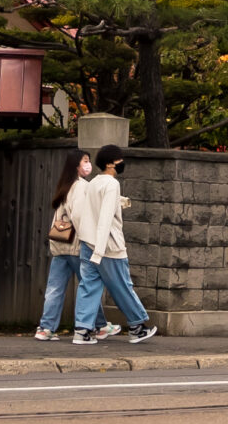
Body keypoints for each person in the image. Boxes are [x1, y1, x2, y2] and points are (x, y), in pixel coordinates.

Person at [70, 143, 158, 345]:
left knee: (88, 287)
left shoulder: (93, 182)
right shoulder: (111, 184)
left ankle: (82, 331)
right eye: (119, 159)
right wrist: (100, 251)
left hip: (87, 243)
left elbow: (83, 212)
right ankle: (137, 327)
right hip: (108, 247)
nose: (122, 162)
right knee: (122, 286)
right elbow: (105, 219)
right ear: (110, 164)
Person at [35, 152, 101, 341]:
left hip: (60, 244)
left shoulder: (66, 185)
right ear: (76, 165)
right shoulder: (81, 186)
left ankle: (45, 328)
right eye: (85, 161)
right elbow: (78, 216)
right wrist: (90, 240)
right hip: (76, 246)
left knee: (55, 289)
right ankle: (101, 325)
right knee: (90, 286)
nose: (89, 164)